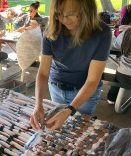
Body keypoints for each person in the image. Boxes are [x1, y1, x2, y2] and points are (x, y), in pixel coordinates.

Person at [30, 0, 112, 131]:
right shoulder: (51, 30)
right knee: (59, 129)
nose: (64, 20)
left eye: (71, 14)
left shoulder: (102, 32)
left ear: (86, 9)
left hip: (85, 93)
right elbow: (43, 73)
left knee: (79, 130)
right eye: (59, 14)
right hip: (56, 88)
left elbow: (92, 80)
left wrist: (70, 110)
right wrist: (38, 104)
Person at [107, 26, 131, 104]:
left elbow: (116, 46)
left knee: (117, 79)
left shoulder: (126, 33)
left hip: (122, 75)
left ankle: (111, 99)